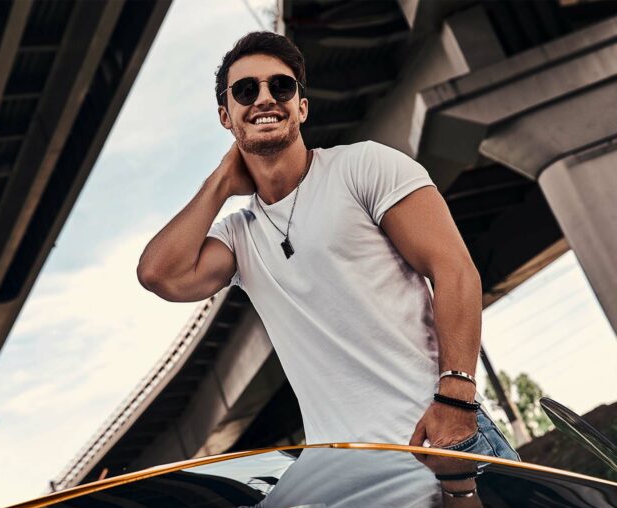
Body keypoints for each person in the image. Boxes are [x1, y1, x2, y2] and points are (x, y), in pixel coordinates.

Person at [137, 31, 519, 461]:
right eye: (246, 91)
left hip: (439, 439)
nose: (265, 98)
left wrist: (456, 402)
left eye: (280, 86)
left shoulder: (364, 166)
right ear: (227, 116)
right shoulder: (238, 236)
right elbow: (158, 274)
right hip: (350, 477)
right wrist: (222, 181)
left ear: (301, 106)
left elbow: (455, 271)